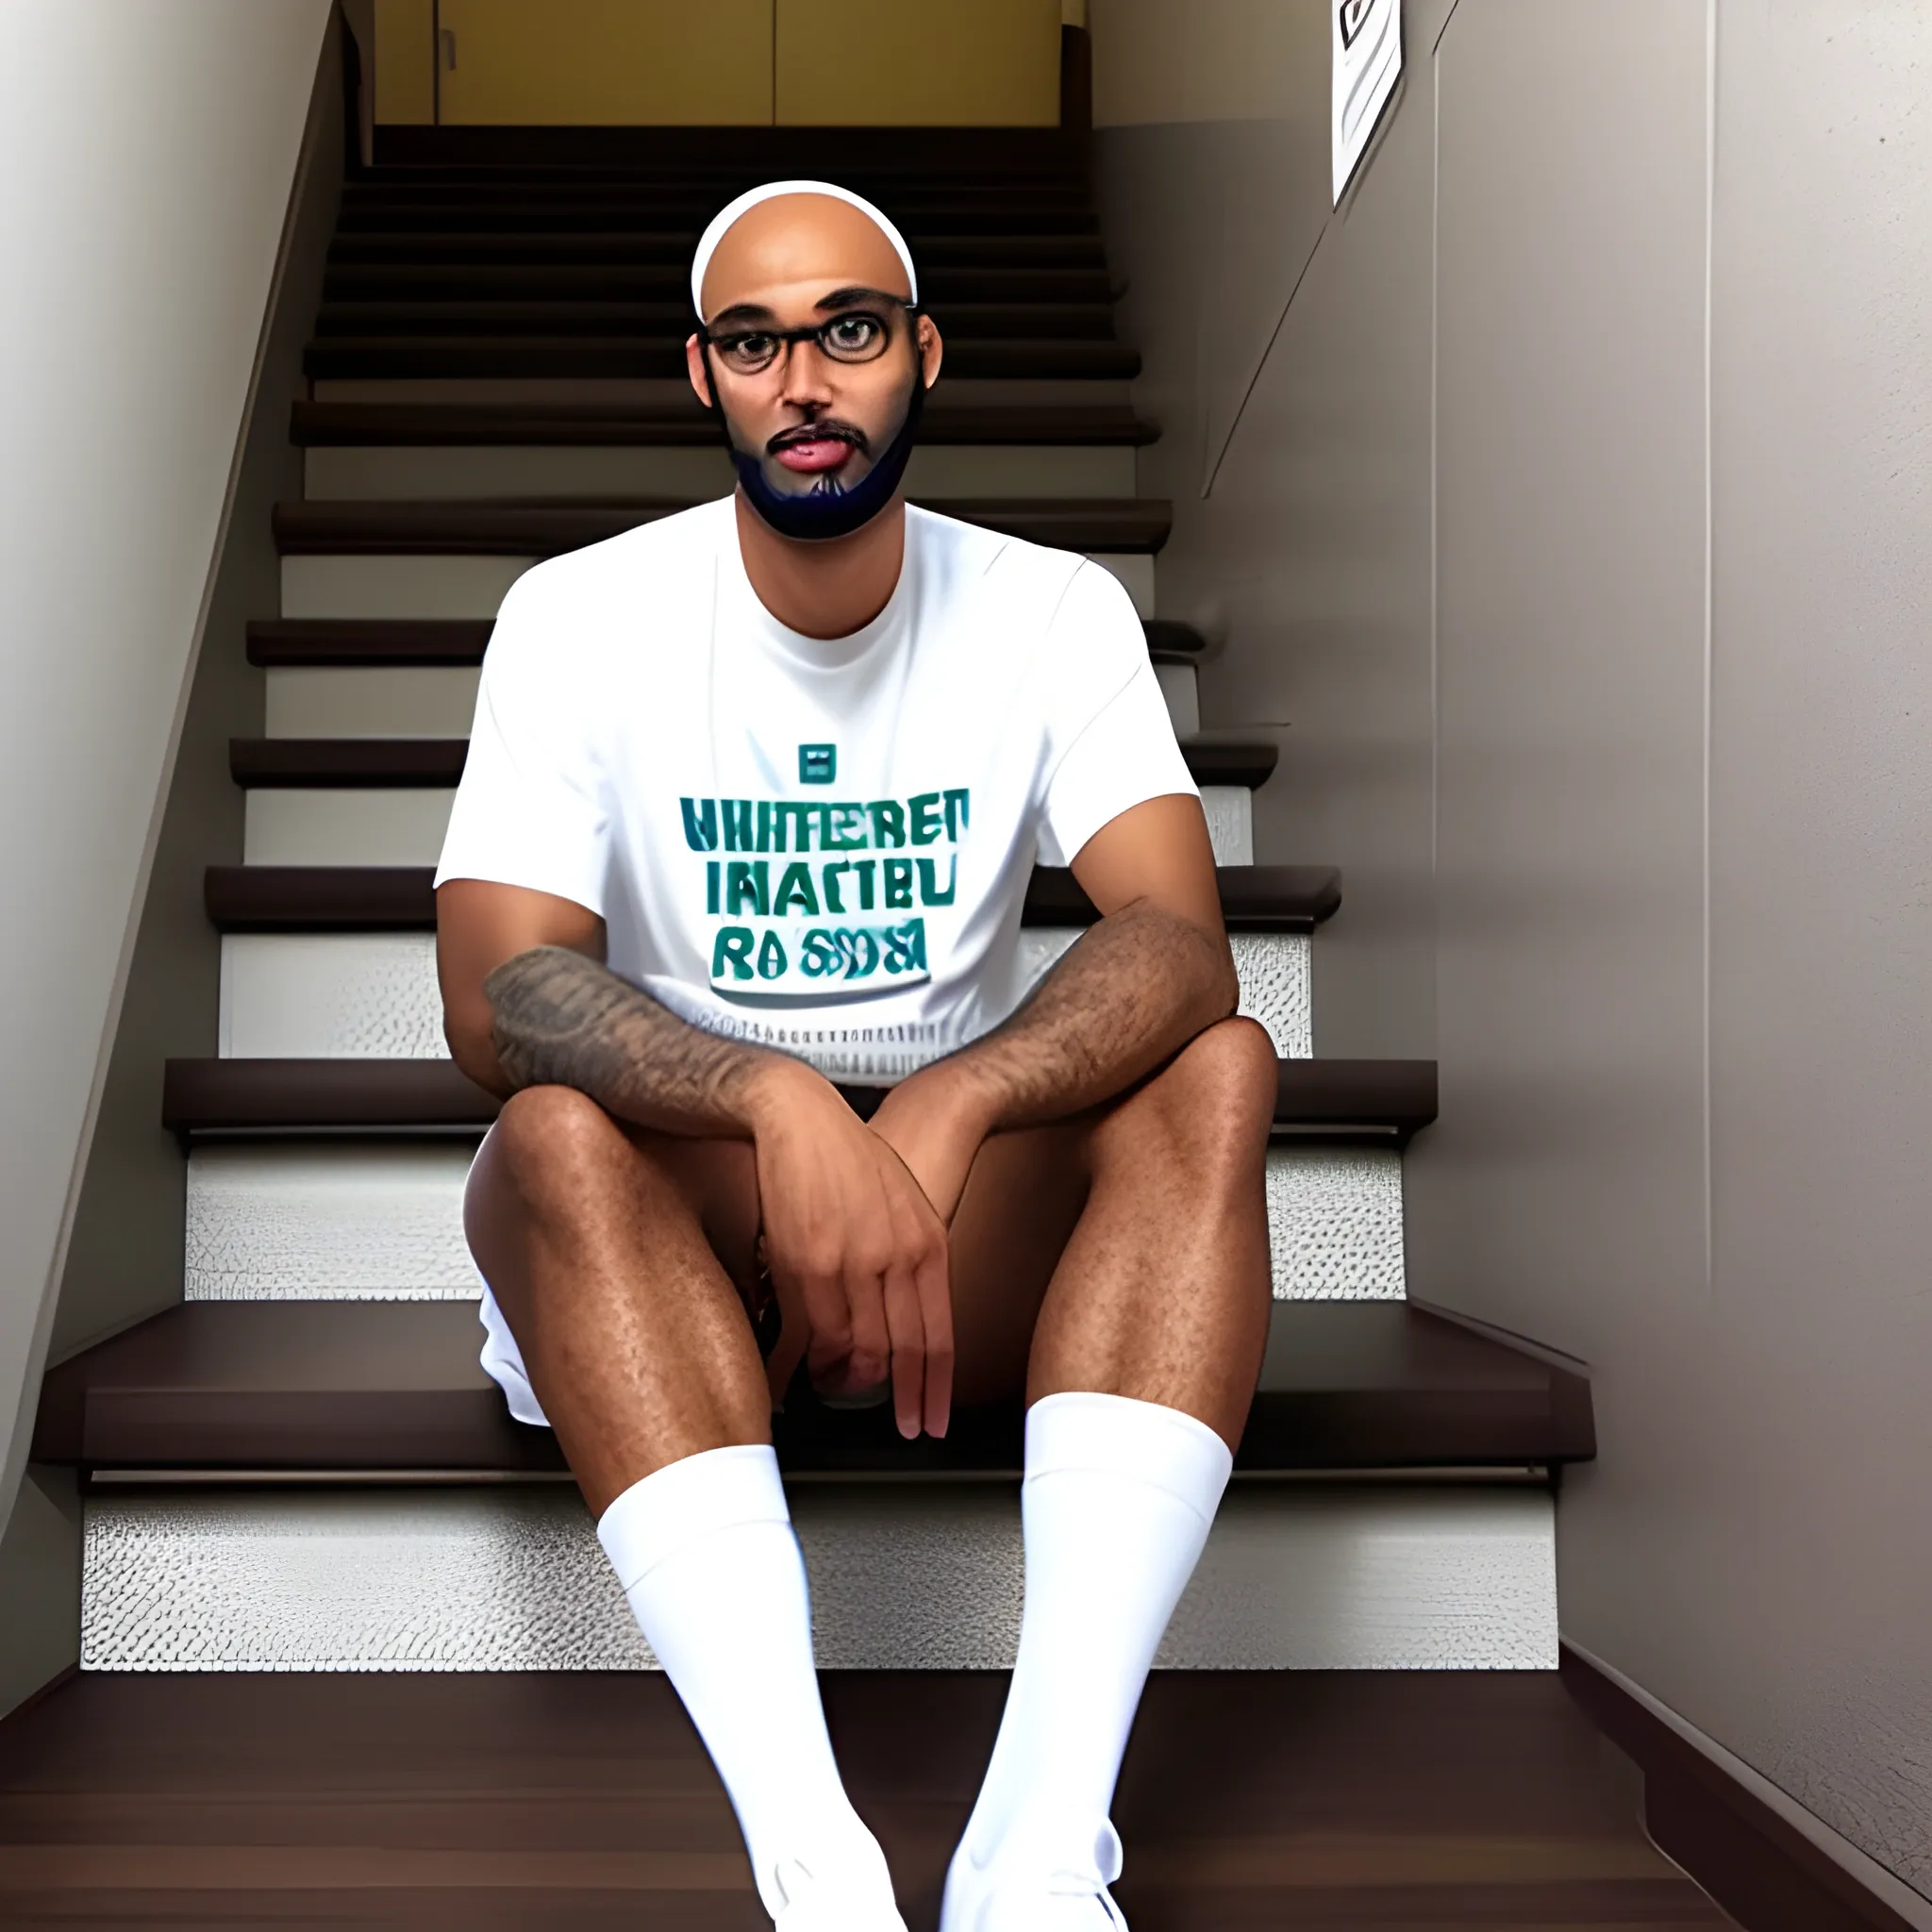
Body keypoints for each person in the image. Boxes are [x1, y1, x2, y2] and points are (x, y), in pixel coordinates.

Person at [433, 179, 1275, 1931]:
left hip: (931, 1235)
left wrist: (957, 1095)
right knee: (549, 1143)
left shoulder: (1051, 611)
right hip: (677, 1245)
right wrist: (772, 1092)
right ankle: (812, 1856)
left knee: (1223, 1069)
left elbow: (1180, 944)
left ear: (921, 354)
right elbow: (494, 999)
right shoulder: (578, 616)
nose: (803, 379)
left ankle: (1040, 1847)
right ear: (704, 376)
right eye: (755, 342)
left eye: (849, 330)